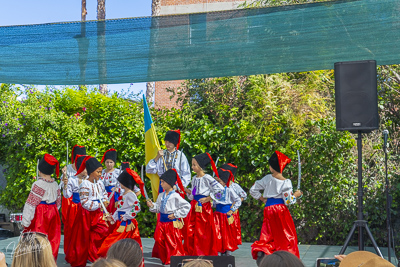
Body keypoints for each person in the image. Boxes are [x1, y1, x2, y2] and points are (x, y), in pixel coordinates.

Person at [249, 151, 303, 265]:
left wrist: (262, 199)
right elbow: (288, 201)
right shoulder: (286, 182)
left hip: (269, 208)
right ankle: (287, 260)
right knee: (285, 236)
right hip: (280, 210)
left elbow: (253, 190)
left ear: (272, 167)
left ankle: (265, 255)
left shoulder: (267, 178)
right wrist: (296, 195)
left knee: (268, 235)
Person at [67, 156, 109, 266]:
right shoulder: (84, 184)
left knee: (103, 231)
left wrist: (105, 201)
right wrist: (99, 204)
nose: (100, 174)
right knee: (83, 238)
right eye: (98, 172)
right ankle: (82, 258)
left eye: (101, 172)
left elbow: (104, 194)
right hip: (86, 214)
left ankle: (94, 254)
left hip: (97, 213)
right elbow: (85, 203)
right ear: (91, 172)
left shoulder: (100, 183)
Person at [98, 168, 146, 257]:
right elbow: (119, 210)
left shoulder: (131, 194)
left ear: (125, 183)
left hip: (127, 223)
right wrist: (112, 217)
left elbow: (137, 207)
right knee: (119, 242)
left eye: (120, 182)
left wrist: (126, 216)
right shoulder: (123, 194)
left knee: (118, 241)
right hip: (121, 222)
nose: (119, 184)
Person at [147, 169, 191, 265]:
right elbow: (158, 208)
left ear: (169, 183)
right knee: (159, 239)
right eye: (161, 182)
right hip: (162, 223)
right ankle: (164, 258)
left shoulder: (175, 196)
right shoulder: (161, 195)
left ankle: (172, 261)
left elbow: (187, 206)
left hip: (171, 223)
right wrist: (152, 206)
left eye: (163, 182)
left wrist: (175, 214)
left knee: (172, 242)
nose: (161, 184)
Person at [21, 154, 61, 260]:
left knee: (39, 239)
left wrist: (26, 221)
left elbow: (31, 204)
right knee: (52, 239)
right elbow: (58, 204)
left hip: (41, 214)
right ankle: (50, 262)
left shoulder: (38, 184)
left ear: (40, 171)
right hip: (53, 213)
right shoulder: (55, 184)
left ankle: (39, 262)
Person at [184, 153, 225, 256]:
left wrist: (209, 198)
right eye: (192, 165)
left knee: (203, 231)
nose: (192, 167)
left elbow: (221, 190)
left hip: (204, 208)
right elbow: (193, 193)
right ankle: (193, 251)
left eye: (194, 165)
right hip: (194, 206)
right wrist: (187, 191)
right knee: (191, 229)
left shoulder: (207, 178)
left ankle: (204, 252)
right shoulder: (194, 178)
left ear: (200, 166)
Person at [63, 154, 88, 263]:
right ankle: (73, 253)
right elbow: (67, 195)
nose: (86, 171)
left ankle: (86, 253)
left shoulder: (90, 180)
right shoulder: (72, 180)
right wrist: (65, 185)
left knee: (85, 231)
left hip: (86, 208)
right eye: (84, 168)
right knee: (73, 231)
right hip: (74, 208)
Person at [213, 168, 242, 256]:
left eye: (219, 181)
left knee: (227, 234)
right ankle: (217, 251)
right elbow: (215, 202)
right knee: (217, 233)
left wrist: (232, 210)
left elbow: (238, 200)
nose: (217, 183)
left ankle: (227, 252)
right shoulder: (215, 190)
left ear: (224, 182)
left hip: (226, 216)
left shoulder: (229, 190)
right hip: (217, 215)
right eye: (216, 181)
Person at [61, 145, 86, 241]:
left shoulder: (86, 172)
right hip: (70, 201)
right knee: (71, 224)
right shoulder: (67, 168)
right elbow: (63, 186)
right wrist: (64, 179)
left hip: (84, 201)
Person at [219, 163, 247, 245]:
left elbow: (243, 195)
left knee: (230, 231)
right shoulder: (219, 187)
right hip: (221, 211)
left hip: (231, 211)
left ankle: (229, 247)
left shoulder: (234, 186)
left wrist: (234, 206)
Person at [100, 149, 121, 214]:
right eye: (107, 162)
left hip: (114, 196)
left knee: (114, 212)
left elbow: (123, 184)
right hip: (104, 195)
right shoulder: (101, 172)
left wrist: (118, 189)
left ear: (114, 162)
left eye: (111, 162)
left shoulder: (118, 172)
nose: (109, 164)